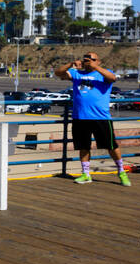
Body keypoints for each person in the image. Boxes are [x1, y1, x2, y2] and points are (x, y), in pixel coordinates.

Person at [55, 50, 130, 185]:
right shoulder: (77, 73)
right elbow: (58, 73)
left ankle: (121, 171)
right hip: (80, 117)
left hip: (100, 117)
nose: (87, 61)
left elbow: (112, 78)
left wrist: (95, 67)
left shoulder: (103, 73)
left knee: (111, 145)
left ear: (98, 61)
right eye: (86, 59)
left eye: (91, 59)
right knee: (83, 146)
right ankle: (86, 174)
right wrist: (71, 64)